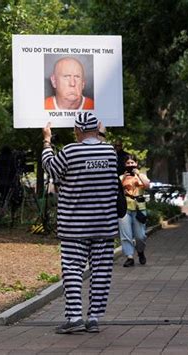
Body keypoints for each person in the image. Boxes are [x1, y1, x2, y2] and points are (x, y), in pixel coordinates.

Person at [42, 112, 118, 334]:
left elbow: (51, 168)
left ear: (77, 131)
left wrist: (47, 141)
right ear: (97, 130)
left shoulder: (70, 151)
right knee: (101, 272)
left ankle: (74, 317)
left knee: (73, 270)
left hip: (74, 225)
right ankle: (93, 318)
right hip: (104, 224)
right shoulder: (110, 152)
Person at [119, 154, 150, 267]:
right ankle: (129, 257)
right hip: (124, 208)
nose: (130, 165)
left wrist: (138, 174)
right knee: (126, 234)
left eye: (132, 162)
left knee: (140, 236)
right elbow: (115, 189)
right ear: (124, 165)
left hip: (139, 208)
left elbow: (147, 185)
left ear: (136, 163)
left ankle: (140, 252)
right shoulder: (121, 177)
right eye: (128, 163)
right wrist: (124, 178)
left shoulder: (141, 175)